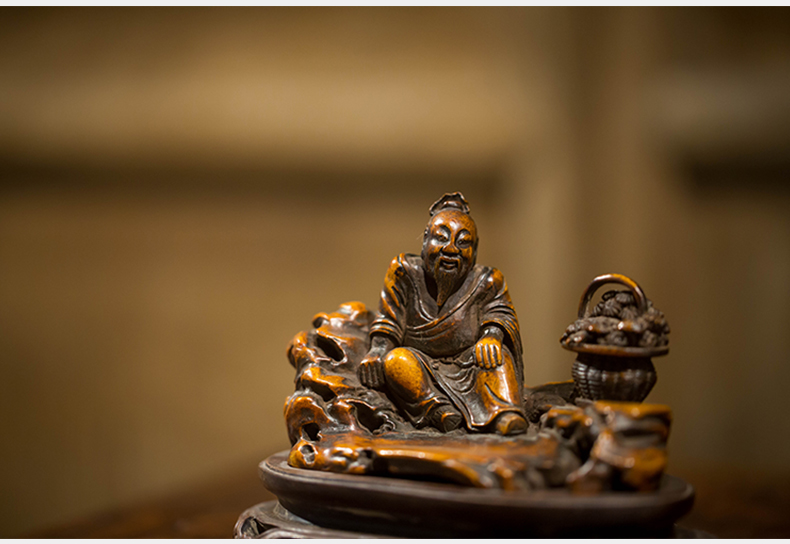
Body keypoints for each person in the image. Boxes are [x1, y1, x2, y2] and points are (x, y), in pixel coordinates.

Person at [358, 192, 528, 436]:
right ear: (425, 241)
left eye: (463, 242)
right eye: (441, 238)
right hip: (421, 364)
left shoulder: (487, 280)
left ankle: (504, 413)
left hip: (471, 363)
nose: (450, 249)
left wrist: (492, 335)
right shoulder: (403, 271)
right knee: (396, 361)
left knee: (497, 355)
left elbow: (500, 313)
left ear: (475, 250)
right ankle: (438, 411)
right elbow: (389, 320)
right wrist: (378, 350)